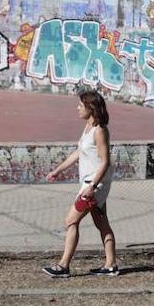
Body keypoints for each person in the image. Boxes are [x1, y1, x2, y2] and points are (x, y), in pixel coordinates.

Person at [42, 89, 119, 277]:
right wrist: (58, 170)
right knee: (102, 223)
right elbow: (79, 153)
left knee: (70, 220)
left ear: (90, 108)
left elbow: (105, 161)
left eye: (80, 105)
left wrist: (92, 187)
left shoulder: (100, 131)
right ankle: (110, 265)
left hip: (93, 185)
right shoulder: (88, 128)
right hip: (90, 183)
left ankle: (63, 266)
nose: (77, 108)